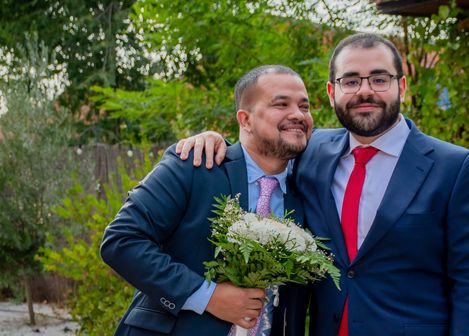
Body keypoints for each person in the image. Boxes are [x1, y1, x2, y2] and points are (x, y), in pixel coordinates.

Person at [178, 33, 469, 336]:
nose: (364, 91)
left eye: (379, 79)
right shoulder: (311, 150)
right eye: (350, 81)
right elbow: (261, 149)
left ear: (402, 87)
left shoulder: (456, 167)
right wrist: (214, 141)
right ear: (332, 92)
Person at [101, 65, 312, 335]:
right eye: (281, 104)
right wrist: (207, 296)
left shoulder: (307, 187)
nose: (297, 114)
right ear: (245, 119)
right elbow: (121, 240)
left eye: (304, 107)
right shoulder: (196, 164)